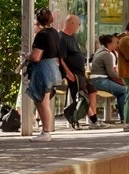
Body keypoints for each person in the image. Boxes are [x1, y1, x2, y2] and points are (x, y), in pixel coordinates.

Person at [25, 8, 63, 140]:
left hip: (43, 69)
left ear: (37, 20)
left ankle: (46, 131)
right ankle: (45, 131)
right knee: (41, 101)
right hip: (53, 67)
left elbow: (36, 56)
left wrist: (27, 55)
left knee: (43, 102)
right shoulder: (54, 33)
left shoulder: (41, 35)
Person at [57, 15, 94, 128]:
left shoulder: (71, 37)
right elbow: (60, 59)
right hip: (72, 74)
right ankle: (91, 120)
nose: (79, 26)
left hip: (79, 73)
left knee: (92, 89)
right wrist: (68, 74)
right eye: (78, 24)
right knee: (81, 94)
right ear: (71, 23)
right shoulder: (62, 38)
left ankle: (93, 118)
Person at [88, 34, 128, 125]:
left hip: (97, 80)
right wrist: (123, 77)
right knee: (124, 90)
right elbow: (111, 73)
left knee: (122, 89)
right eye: (116, 43)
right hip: (100, 81)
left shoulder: (100, 51)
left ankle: (123, 116)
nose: (118, 44)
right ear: (109, 44)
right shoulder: (107, 54)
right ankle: (124, 117)